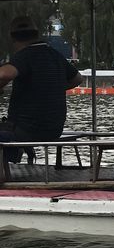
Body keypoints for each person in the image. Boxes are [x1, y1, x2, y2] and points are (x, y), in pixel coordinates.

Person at [0, 15, 83, 163]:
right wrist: (50, 88)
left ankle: (2, 175)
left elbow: (4, 73)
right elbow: (77, 79)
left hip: (26, 131)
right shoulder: (54, 54)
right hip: (54, 129)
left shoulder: (25, 56)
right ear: (37, 34)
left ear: (12, 38)